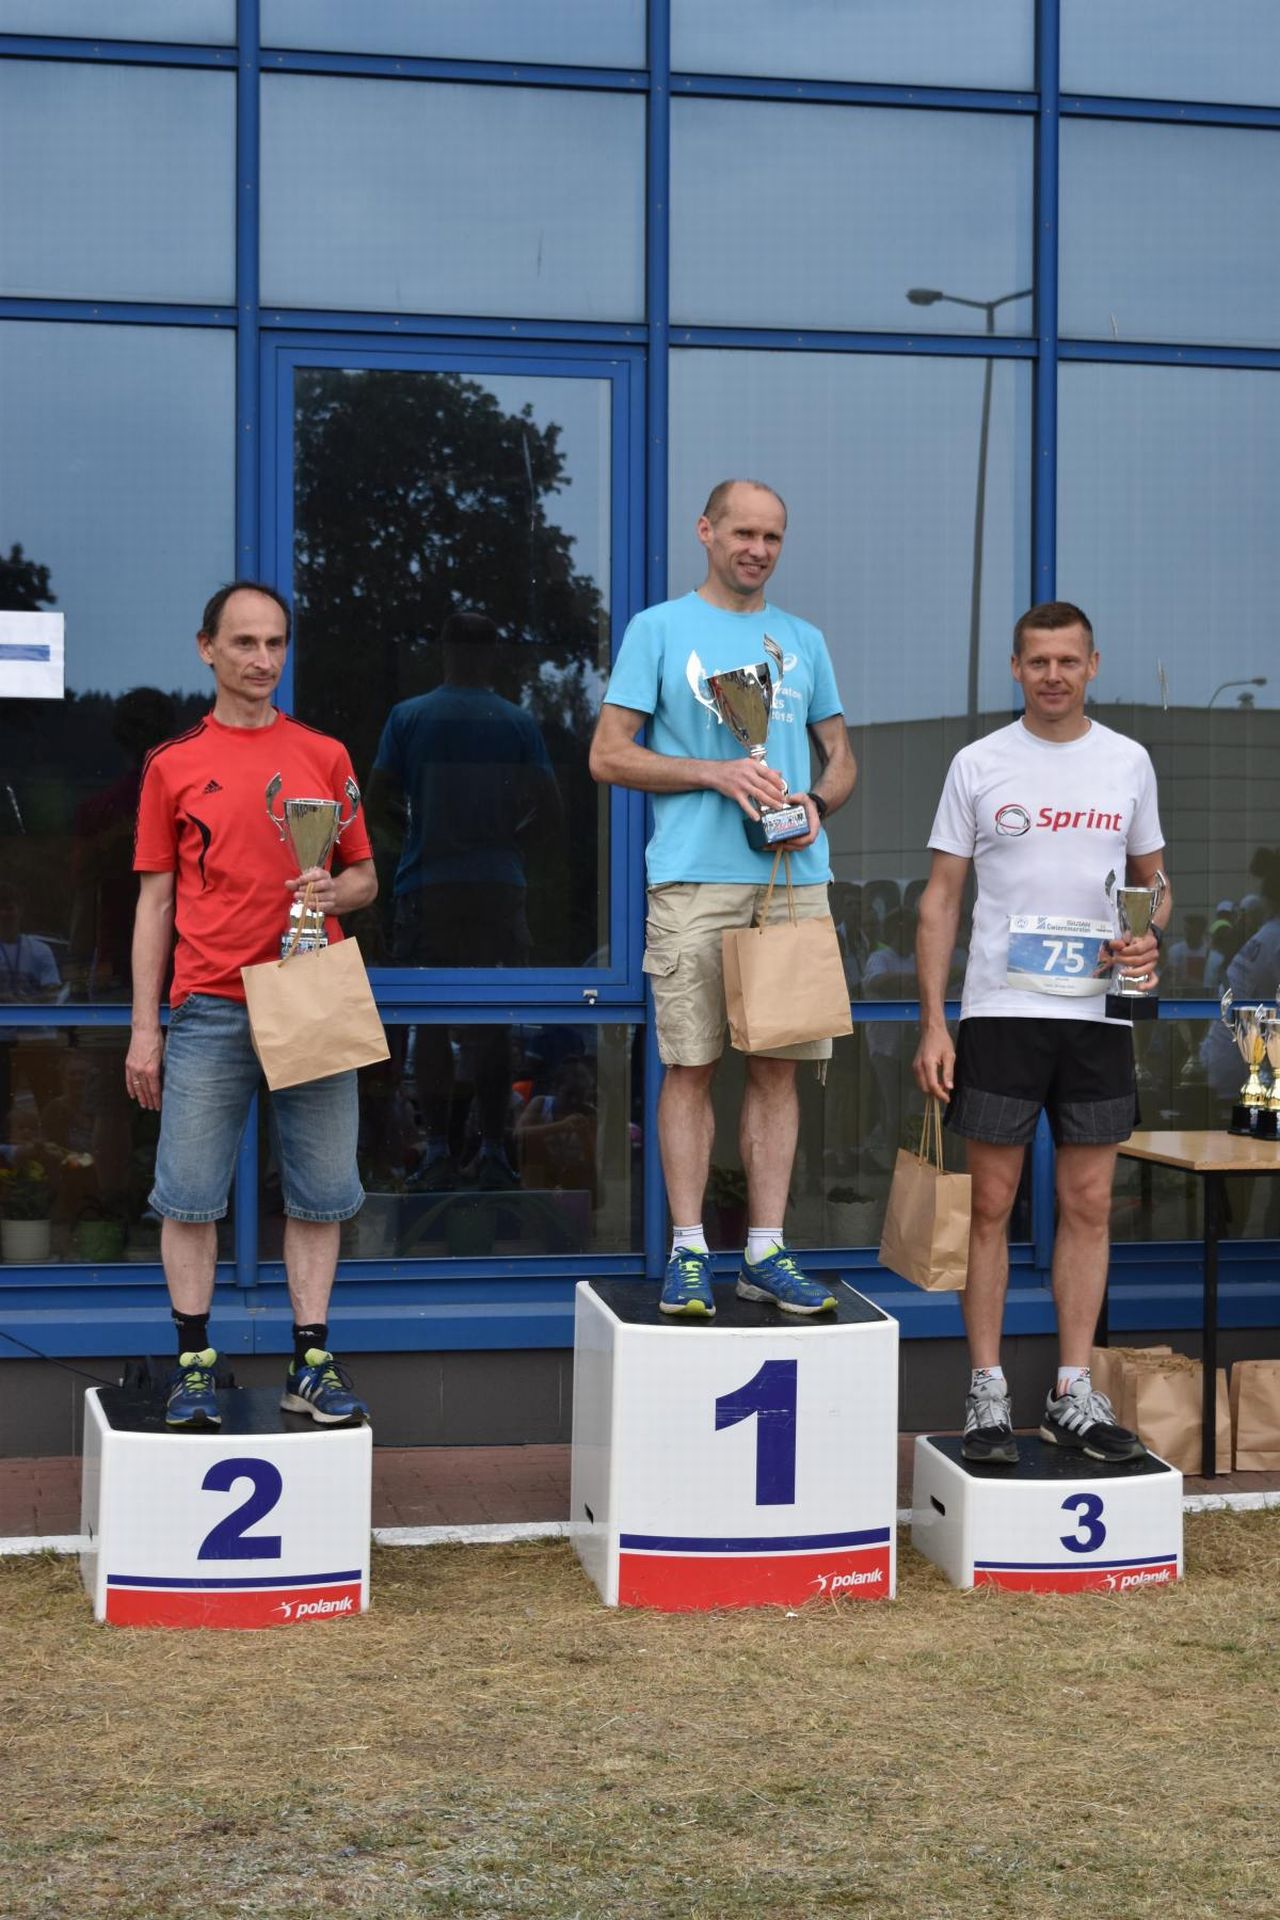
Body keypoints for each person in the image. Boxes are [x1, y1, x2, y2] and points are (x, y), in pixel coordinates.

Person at [589, 479, 856, 1318]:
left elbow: (842, 758)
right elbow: (607, 754)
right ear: (706, 532)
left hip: (792, 881)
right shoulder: (659, 629)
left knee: (778, 1072)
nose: (758, 550)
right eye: (743, 533)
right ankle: (690, 1250)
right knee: (691, 1065)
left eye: (772, 537)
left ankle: (766, 1251)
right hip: (695, 878)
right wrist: (714, 772)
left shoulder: (804, 640)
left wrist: (818, 803)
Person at [912, 601, 1169, 1464]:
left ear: (1093, 665)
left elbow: (1154, 883)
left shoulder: (1128, 761)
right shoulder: (978, 764)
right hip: (1001, 1014)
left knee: (1088, 1205)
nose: (1052, 675)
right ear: (1016, 669)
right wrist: (933, 1021)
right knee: (991, 1206)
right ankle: (986, 1393)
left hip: (1098, 1016)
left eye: (1068, 660)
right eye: (1037, 661)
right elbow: (942, 899)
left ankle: (1072, 1391)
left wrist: (1148, 930)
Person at [126, 581, 378, 1430]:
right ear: (207, 649)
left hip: (313, 992)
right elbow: (154, 904)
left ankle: (311, 1362)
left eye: (275, 643)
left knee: (323, 1192)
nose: (262, 659)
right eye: (244, 643)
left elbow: (364, 877)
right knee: (188, 1196)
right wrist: (144, 1029)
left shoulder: (325, 754)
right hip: (209, 1003)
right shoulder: (172, 764)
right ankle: (195, 1363)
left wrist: (335, 891)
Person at [366, 610, 562, 1192]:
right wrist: (508, 843)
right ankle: (494, 1149)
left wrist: (412, 842)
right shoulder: (515, 722)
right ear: (491, 653)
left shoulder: (410, 717)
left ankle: (438, 1150)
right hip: (496, 887)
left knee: (428, 1018)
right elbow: (551, 811)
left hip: (428, 886)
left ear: (445, 650)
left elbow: (375, 801)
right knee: (492, 1018)